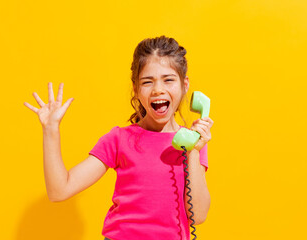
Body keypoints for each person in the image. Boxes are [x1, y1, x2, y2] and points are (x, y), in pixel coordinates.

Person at [24, 35, 213, 240]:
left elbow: (199, 215)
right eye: (147, 82)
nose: (158, 89)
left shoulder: (194, 141)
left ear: (185, 85)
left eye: (168, 80)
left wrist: (194, 150)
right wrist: (50, 130)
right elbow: (59, 191)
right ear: (136, 89)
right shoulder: (119, 139)